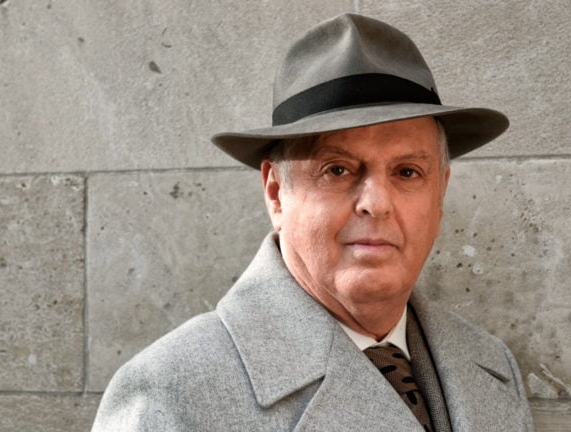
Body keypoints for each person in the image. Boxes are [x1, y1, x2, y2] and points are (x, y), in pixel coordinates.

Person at [92, 13, 533, 432]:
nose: (376, 204)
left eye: (407, 172)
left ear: (440, 193)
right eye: (337, 170)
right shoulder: (170, 393)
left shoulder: (489, 363)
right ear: (275, 193)